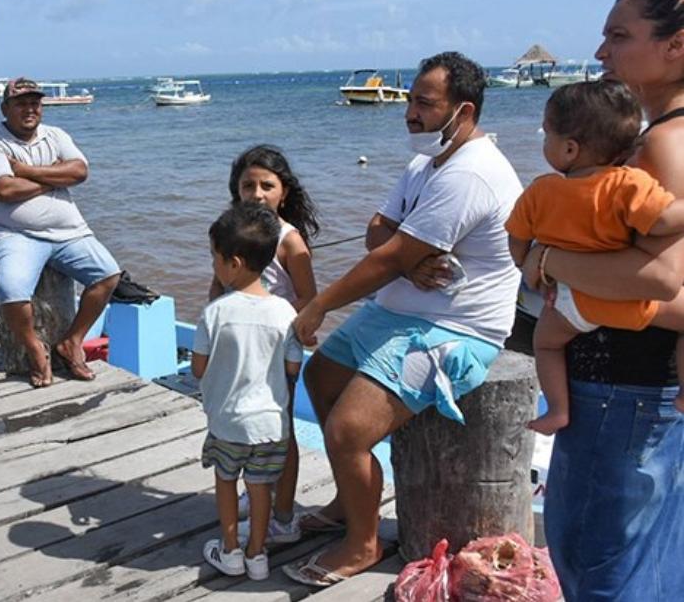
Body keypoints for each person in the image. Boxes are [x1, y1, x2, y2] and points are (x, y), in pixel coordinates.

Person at [282, 51, 523, 588]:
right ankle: (351, 503)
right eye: (410, 100)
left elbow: (388, 254)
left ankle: (362, 545)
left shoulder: (474, 173)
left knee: (347, 431)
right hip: (400, 308)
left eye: (423, 103)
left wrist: (320, 303)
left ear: (462, 111)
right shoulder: (425, 163)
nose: (409, 113)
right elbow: (378, 232)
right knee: (321, 378)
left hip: (455, 328)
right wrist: (408, 264)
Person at [523, 0, 684, 600]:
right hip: (647, 394)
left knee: (597, 570)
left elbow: (665, 282)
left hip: (621, 390)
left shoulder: (660, 143)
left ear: (677, 46)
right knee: (651, 568)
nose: (601, 51)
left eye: (619, 36)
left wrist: (548, 261)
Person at [507, 81, 684, 436]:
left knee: (545, 343)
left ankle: (557, 410)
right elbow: (664, 220)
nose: (544, 143)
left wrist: (534, 266)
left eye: (547, 136)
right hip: (623, 299)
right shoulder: (628, 184)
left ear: (570, 149)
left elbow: (517, 242)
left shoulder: (541, 190)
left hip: (569, 303)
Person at [0, 77, 120, 387]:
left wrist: (25, 171)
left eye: (35, 103)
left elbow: (79, 171)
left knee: (108, 275)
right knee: (10, 291)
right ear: (5, 108)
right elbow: (3, 190)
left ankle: (71, 342)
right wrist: (55, 176)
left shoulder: (56, 135)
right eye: (21, 103)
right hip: (16, 235)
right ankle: (35, 348)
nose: (30, 109)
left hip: (70, 233)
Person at [208, 145, 319, 544]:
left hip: (276, 350)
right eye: (247, 185)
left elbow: (310, 298)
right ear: (235, 190)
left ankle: (284, 515)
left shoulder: (290, 241)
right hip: (235, 349)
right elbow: (218, 286)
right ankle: (253, 490)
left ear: (283, 192)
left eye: (266, 185)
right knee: (237, 421)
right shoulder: (229, 232)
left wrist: (277, 321)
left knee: (279, 430)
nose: (256, 193)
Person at [192, 202, 304, 581]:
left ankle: (230, 552)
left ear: (234, 263)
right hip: (272, 425)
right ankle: (258, 556)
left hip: (228, 424)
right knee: (260, 489)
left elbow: (198, 368)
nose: (213, 266)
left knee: (226, 483)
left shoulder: (214, 312)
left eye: (214, 258)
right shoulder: (286, 312)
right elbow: (293, 366)